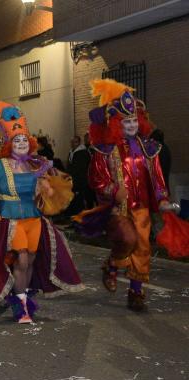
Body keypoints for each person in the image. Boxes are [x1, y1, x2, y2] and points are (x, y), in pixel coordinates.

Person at [0, 98, 84, 323]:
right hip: (12, 220)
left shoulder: (39, 165)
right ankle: (21, 304)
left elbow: (59, 187)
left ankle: (23, 297)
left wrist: (48, 187)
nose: (21, 143)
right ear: (10, 143)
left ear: (30, 143)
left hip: (34, 219)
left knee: (32, 259)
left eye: (24, 140)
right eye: (16, 140)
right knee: (22, 260)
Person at [85, 79, 174, 311]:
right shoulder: (106, 150)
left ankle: (136, 292)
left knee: (143, 247)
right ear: (117, 123)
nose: (132, 125)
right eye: (127, 121)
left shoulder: (149, 148)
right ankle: (112, 265)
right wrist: (114, 190)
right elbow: (95, 179)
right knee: (128, 240)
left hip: (142, 205)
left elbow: (156, 176)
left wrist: (162, 197)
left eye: (135, 120)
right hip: (119, 208)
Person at [66, 135, 91, 215]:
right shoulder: (72, 152)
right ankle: (73, 218)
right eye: (72, 142)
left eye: (75, 142)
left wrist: (76, 181)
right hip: (73, 180)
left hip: (80, 181)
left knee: (79, 201)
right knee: (74, 200)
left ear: (79, 143)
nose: (73, 144)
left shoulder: (82, 152)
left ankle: (78, 220)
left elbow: (81, 169)